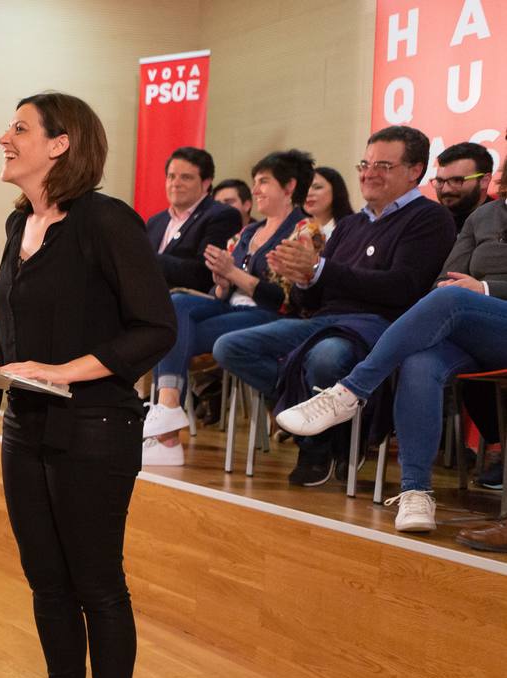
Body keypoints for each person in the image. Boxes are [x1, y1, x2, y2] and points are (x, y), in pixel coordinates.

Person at [0, 92, 175, 678]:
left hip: (95, 427)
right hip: (28, 422)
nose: (3, 138)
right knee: (47, 580)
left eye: (18, 128)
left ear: (60, 144)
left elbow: (153, 328)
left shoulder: (106, 222)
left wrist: (60, 372)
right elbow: (39, 332)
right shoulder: (21, 223)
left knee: (96, 585)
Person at [212, 125, 457, 487]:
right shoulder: (350, 225)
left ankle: (320, 442)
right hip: (324, 322)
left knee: (325, 358)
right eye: (365, 163)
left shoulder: (430, 218)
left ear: (415, 170)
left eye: (383, 166)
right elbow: (309, 301)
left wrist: (322, 270)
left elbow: (403, 288)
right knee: (231, 346)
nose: (369, 173)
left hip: (383, 326)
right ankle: (329, 433)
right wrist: (304, 279)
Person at [275, 154, 507, 534]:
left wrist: (482, 289)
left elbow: (458, 293)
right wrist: (462, 292)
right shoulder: (483, 217)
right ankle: (416, 491)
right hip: (474, 327)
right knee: (419, 359)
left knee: (452, 300)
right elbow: (443, 281)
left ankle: (350, 391)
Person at [142, 150, 314, 465]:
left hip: (269, 316)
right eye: (255, 182)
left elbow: (287, 300)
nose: (257, 190)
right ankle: (167, 417)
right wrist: (222, 278)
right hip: (230, 308)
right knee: (175, 307)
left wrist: (234, 274)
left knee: (168, 333)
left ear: (289, 187)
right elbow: (222, 288)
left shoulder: (303, 231)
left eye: (263, 182)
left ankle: (166, 432)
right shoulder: (248, 232)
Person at [144, 147, 245, 292]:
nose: (175, 183)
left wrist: (147, 258)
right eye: (171, 176)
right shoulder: (155, 221)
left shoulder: (222, 216)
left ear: (206, 183)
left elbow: (204, 274)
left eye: (185, 177)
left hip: (184, 300)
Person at [432, 141, 495, 232]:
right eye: (440, 181)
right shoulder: (426, 222)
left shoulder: (501, 222)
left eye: (457, 180)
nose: (445, 190)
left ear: (484, 181)